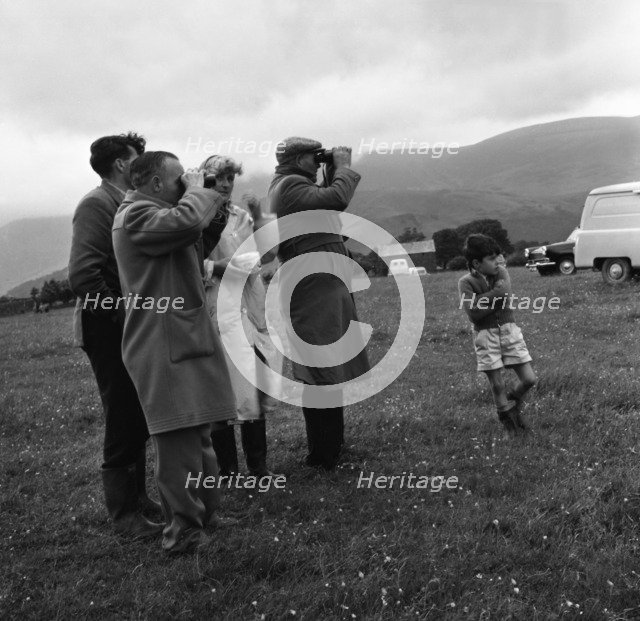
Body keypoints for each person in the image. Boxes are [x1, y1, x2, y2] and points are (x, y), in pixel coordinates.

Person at [112, 151, 237, 553]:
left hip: (183, 335)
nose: (186, 181)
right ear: (155, 184)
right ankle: (182, 533)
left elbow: (197, 238)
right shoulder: (135, 216)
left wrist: (214, 195)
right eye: (178, 177)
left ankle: (205, 515)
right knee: (178, 442)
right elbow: (187, 223)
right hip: (161, 343)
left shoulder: (163, 216)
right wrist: (197, 191)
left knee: (200, 434)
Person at [68, 132, 162, 538]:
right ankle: (123, 513)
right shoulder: (96, 204)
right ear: (122, 164)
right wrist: (122, 315)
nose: (143, 162)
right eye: (138, 157)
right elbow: (83, 275)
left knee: (137, 411)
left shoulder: (126, 202)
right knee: (122, 411)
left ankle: (139, 498)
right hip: (106, 326)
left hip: (126, 323)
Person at [268, 137, 370, 470]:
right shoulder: (288, 186)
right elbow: (336, 199)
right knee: (319, 369)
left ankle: (332, 447)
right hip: (312, 289)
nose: (317, 161)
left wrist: (329, 171)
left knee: (330, 366)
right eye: (315, 157)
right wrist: (343, 167)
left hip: (323, 285)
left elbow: (326, 208)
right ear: (299, 159)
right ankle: (322, 455)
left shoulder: (296, 186)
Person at [199, 155, 281, 478]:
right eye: (218, 178)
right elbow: (186, 261)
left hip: (250, 304)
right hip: (218, 306)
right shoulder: (194, 216)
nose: (225, 184)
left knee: (254, 385)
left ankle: (258, 466)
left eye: (230, 178)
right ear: (205, 179)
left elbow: (268, 253)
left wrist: (260, 216)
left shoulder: (240, 215)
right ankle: (228, 470)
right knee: (222, 390)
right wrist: (216, 268)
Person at [458, 234, 537, 436]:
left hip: (510, 331)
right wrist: (497, 298)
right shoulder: (465, 282)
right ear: (477, 263)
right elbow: (474, 314)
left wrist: (483, 301)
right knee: (497, 384)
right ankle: (510, 425)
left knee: (529, 379)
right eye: (491, 258)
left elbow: (504, 294)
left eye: (498, 257)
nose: (498, 262)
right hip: (485, 336)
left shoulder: (501, 272)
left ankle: (514, 401)